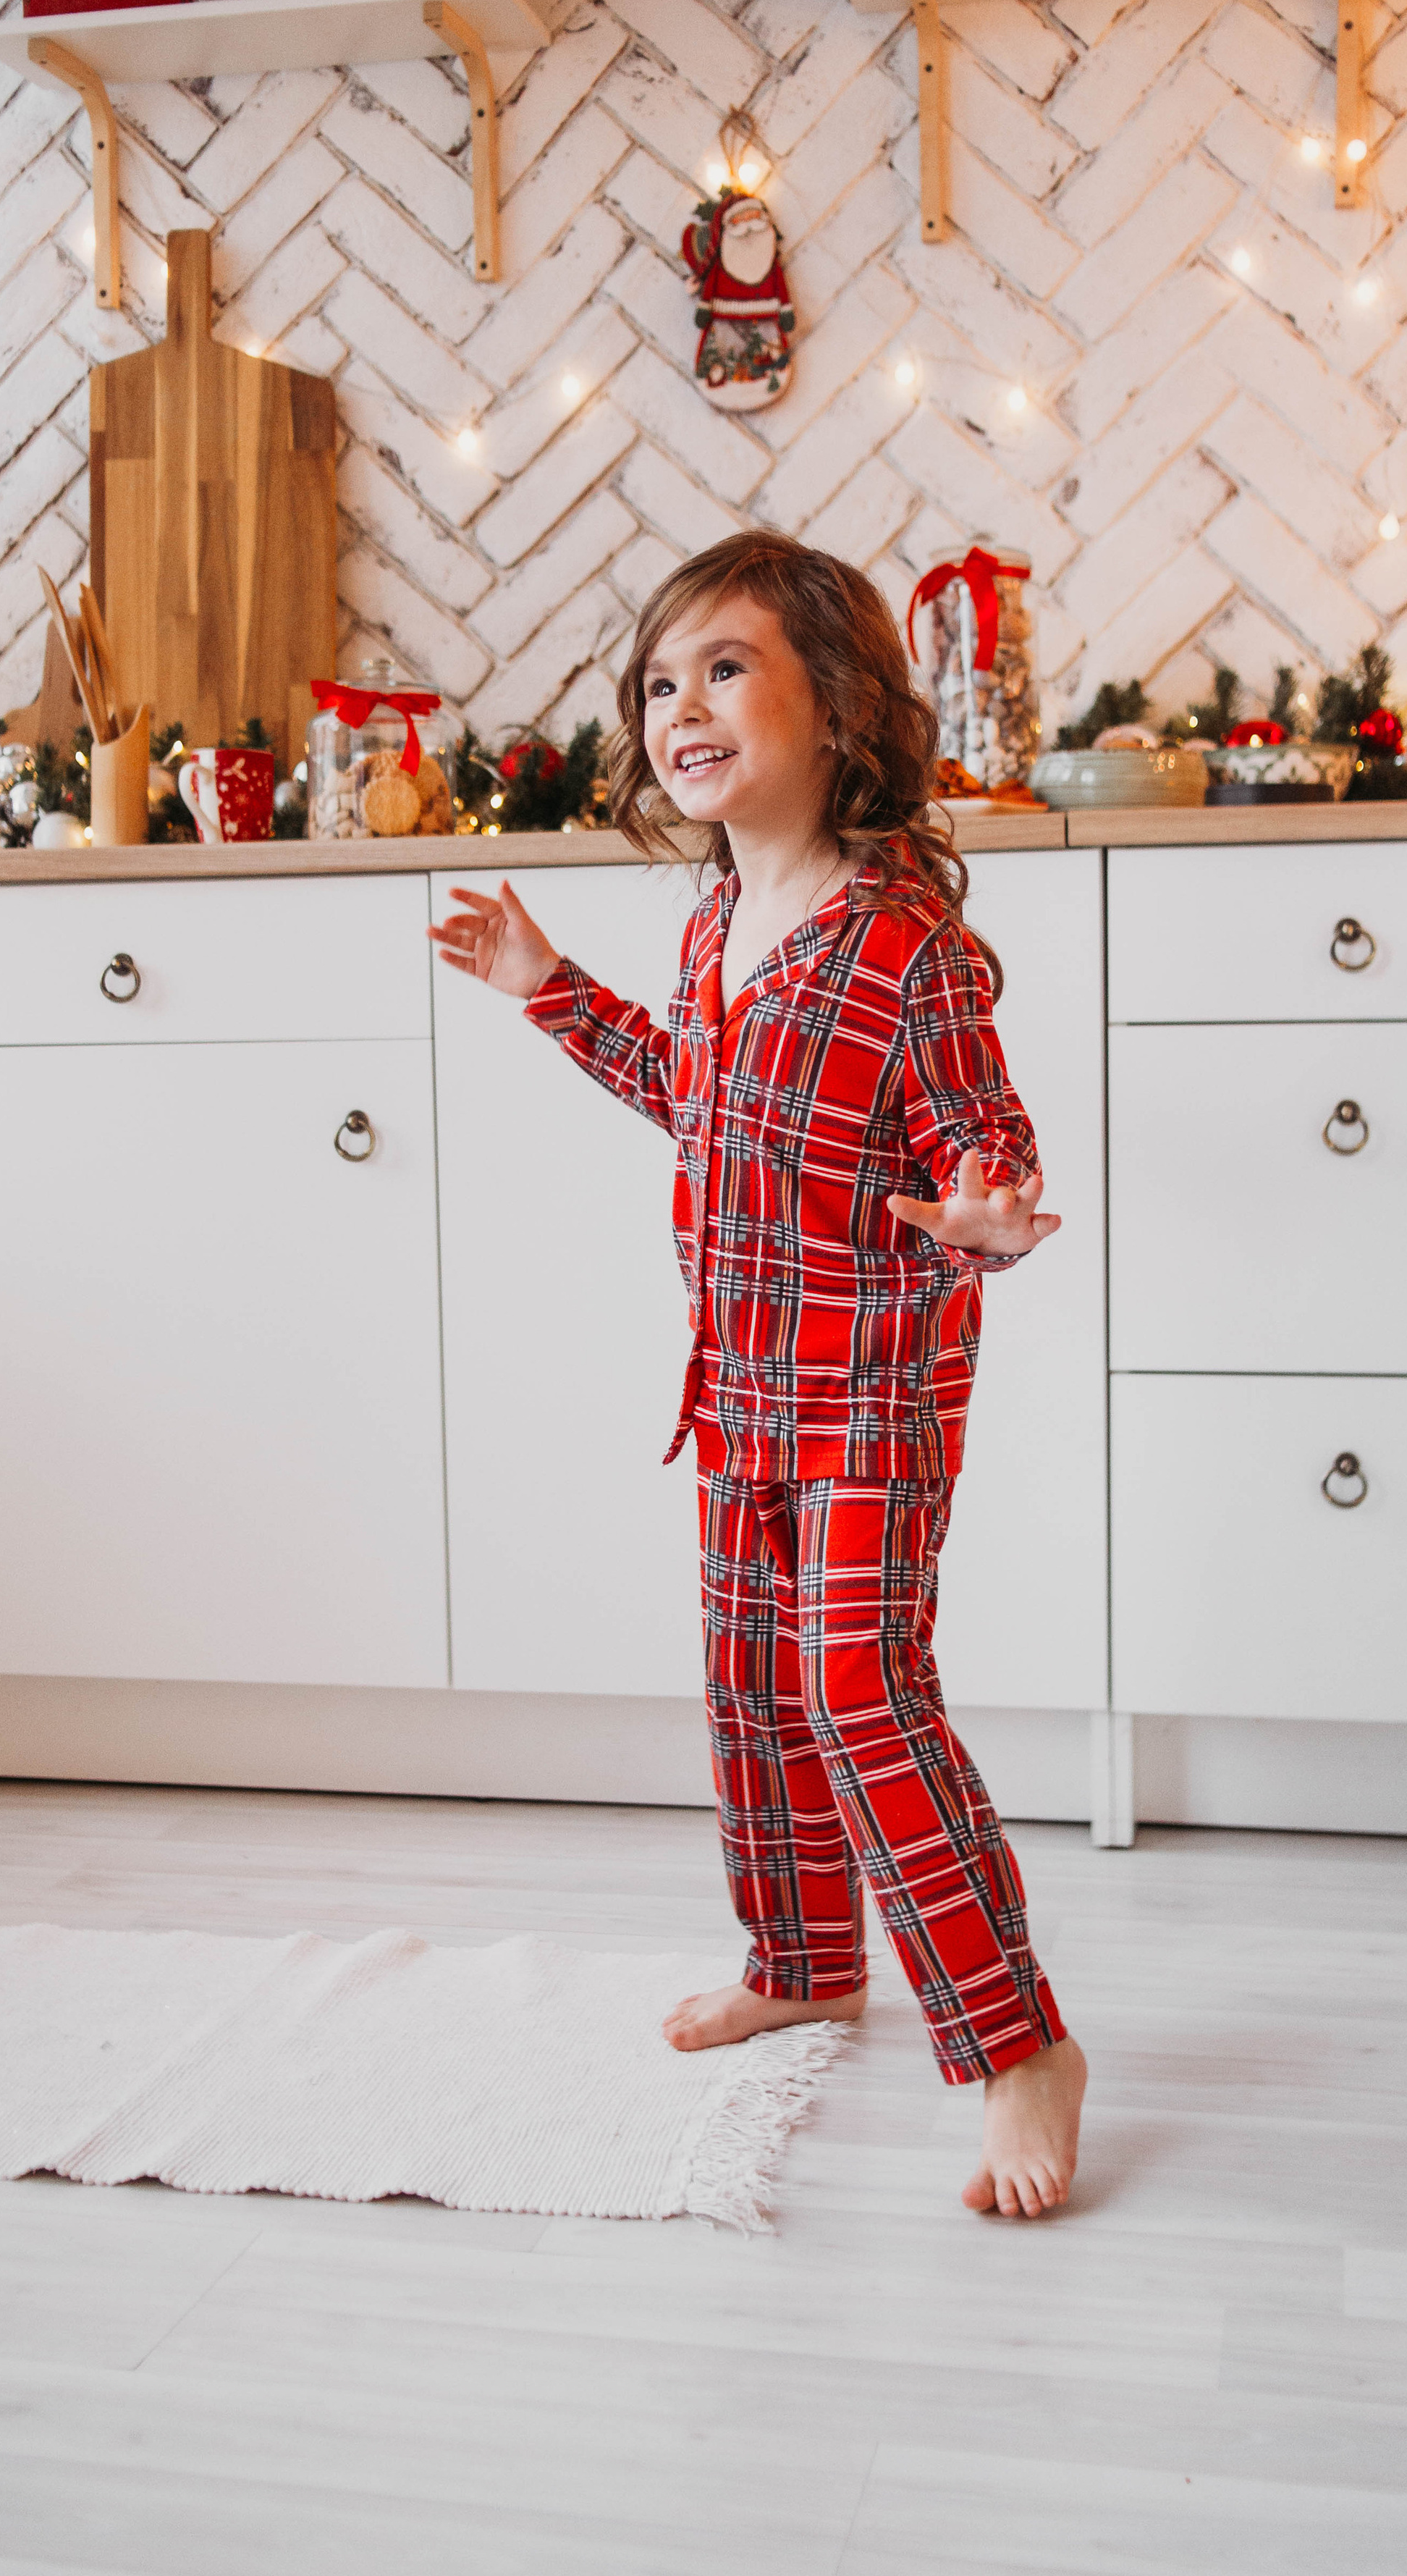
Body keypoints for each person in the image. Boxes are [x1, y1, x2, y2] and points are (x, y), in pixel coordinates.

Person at [427, 530, 1087, 2218]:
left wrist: (990, 1207)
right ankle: (801, 1955)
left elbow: (975, 1122)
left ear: (838, 704)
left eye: (725, 668)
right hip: (739, 1390)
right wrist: (547, 990)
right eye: (660, 681)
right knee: (752, 1683)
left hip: (871, 1390)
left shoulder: (897, 935)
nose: (683, 705)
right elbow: (690, 1094)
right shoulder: (721, 922)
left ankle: (1018, 2045)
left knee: (861, 1691)